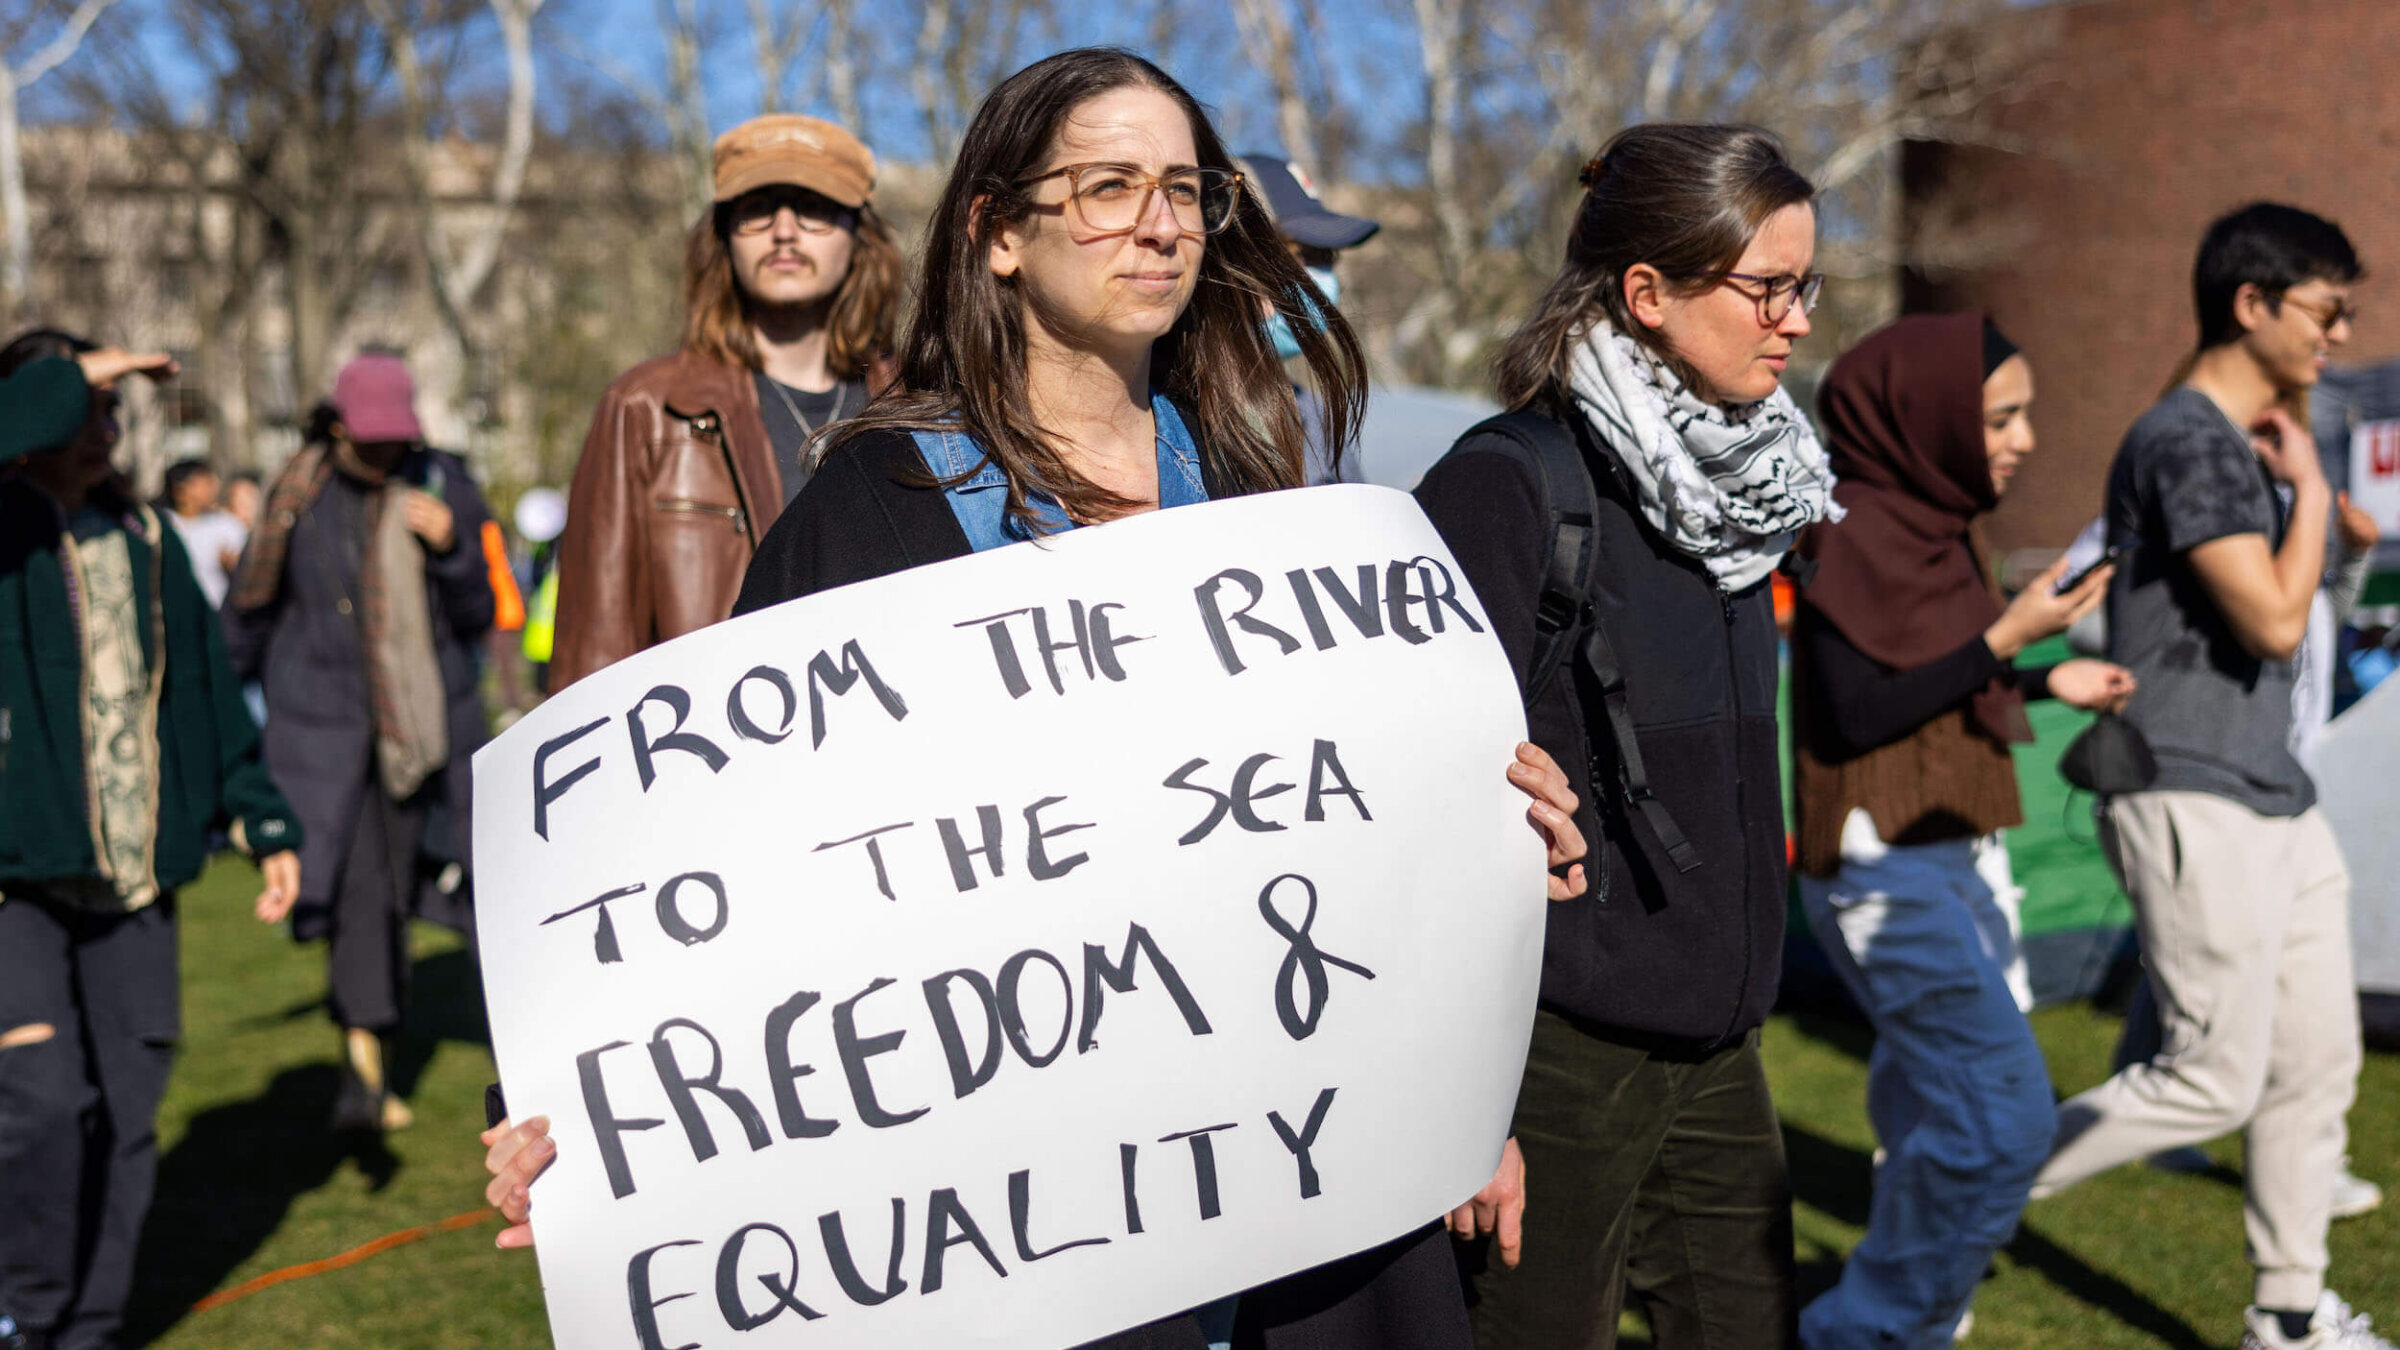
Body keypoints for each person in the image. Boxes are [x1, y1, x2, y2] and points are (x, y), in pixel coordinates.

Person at [481, 47, 1588, 1350]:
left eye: (1185, 187)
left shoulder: (1277, 517)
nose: (1162, 222)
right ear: (996, 232)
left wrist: (1488, 861)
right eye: (1109, 186)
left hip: (1316, 1197)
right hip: (1032, 1235)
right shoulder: (869, 517)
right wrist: (598, 1114)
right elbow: (719, 874)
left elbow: (1347, 836)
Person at [1415, 123, 1837, 1349]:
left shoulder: (1756, 485)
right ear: (1647, 293)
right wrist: (1464, 1111)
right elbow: (1419, 805)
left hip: (1720, 1043)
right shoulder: (1511, 483)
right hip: (1553, 1058)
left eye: (1805, 285)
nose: (1796, 319)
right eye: (1768, 287)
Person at [2029, 203, 2390, 1350]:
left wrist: (2330, 527)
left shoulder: (2241, 450)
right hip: (2191, 790)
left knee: (2319, 1064)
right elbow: (2277, 625)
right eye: (2326, 311)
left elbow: (2292, 632)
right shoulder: (2184, 438)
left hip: (2276, 791)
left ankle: (2287, 1316)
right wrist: (2322, 503)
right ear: (2253, 303)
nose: (2338, 335)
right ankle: (1956, 1183)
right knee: (2212, 1081)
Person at [1787, 313, 2135, 1349]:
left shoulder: (1937, 525)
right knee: (2004, 1121)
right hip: (1885, 864)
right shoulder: (1850, 528)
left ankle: (1895, 1307)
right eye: (2000, 418)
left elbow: (1921, 677)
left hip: (1954, 844)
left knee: (1935, 1107)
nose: (2023, 438)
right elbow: (1853, 713)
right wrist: (2007, 637)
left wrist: (2039, 670)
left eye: (2024, 415)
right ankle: (1876, 1324)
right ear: (1924, 416)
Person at [0, 329, 300, 1350]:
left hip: (138, 878)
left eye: (110, 412)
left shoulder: (147, 536)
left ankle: (88, 1329)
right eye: (82, 407)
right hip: (17, 885)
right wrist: (74, 371)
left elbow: (213, 697)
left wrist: (262, 817)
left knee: (128, 1122)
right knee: (43, 1108)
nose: (102, 428)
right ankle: (23, 1314)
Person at [223, 353, 496, 1134]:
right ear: (336, 426)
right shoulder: (296, 494)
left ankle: (535, 1060)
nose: (384, 455)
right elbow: (249, 611)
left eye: (394, 439)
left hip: (432, 730)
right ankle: (363, 1073)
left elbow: (479, 614)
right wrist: (218, 731)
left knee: (482, 888)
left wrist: (452, 549)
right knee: (358, 899)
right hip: (331, 735)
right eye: (369, 440)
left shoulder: (444, 483)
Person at [549, 112, 905, 689]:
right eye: (758, 209)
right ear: (723, 238)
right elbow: (594, 657)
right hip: (719, 758)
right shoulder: (645, 409)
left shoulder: (927, 405)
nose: (784, 230)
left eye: (814, 207)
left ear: (858, 237)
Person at [1232, 152, 1379, 486]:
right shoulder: (1165, 421)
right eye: (1294, 255)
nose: (1317, 279)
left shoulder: (1315, 417)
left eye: (1323, 256)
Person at [158, 457, 249, 608]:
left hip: (217, 613)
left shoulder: (227, 525)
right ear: (180, 490)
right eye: (205, 483)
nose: (213, 489)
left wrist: (234, 566)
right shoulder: (164, 525)